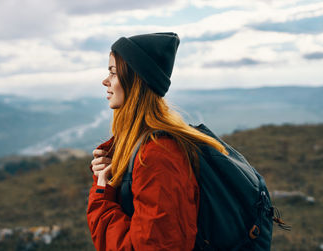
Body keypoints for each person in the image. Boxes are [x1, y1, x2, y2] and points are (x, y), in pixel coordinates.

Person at [87, 32, 228, 251]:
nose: (105, 80)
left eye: (113, 72)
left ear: (135, 80)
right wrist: (112, 174)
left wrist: (102, 196)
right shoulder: (143, 146)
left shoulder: (158, 155)